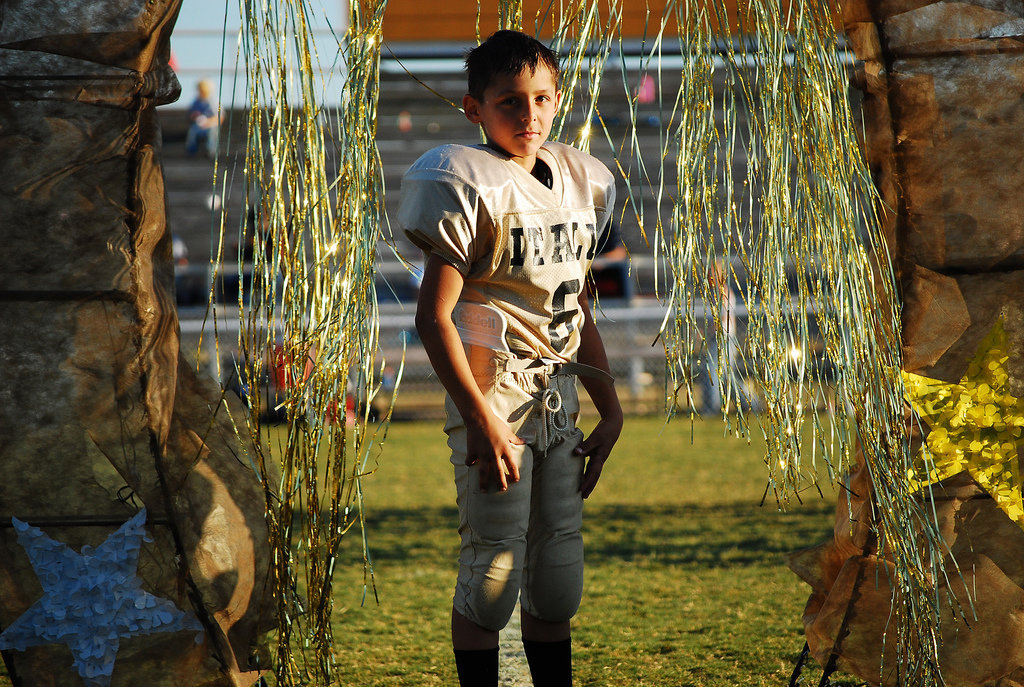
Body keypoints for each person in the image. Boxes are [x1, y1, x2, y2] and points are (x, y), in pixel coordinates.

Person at [397, 30, 623, 687]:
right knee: (492, 574)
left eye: (541, 100)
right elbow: (433, 316)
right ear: (475, 108)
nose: (529, 116)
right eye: (510, 102)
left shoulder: (583, 179)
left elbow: (576, 310)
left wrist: (609, 408)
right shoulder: (464, 179)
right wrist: (479, 417)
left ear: (558, 101)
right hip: (494, 396)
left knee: (556, 581)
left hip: (560, 400)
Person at [185, 79, 220, 157]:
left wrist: (208, 122)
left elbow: (220, 117)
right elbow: (190, 114)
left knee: (212, 132)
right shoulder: (196, 101)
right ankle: (191, 151)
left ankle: (211, 151)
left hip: (211, 125)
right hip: (199, 125)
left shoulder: (213, 101)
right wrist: (194, 116)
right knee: (193, 131)